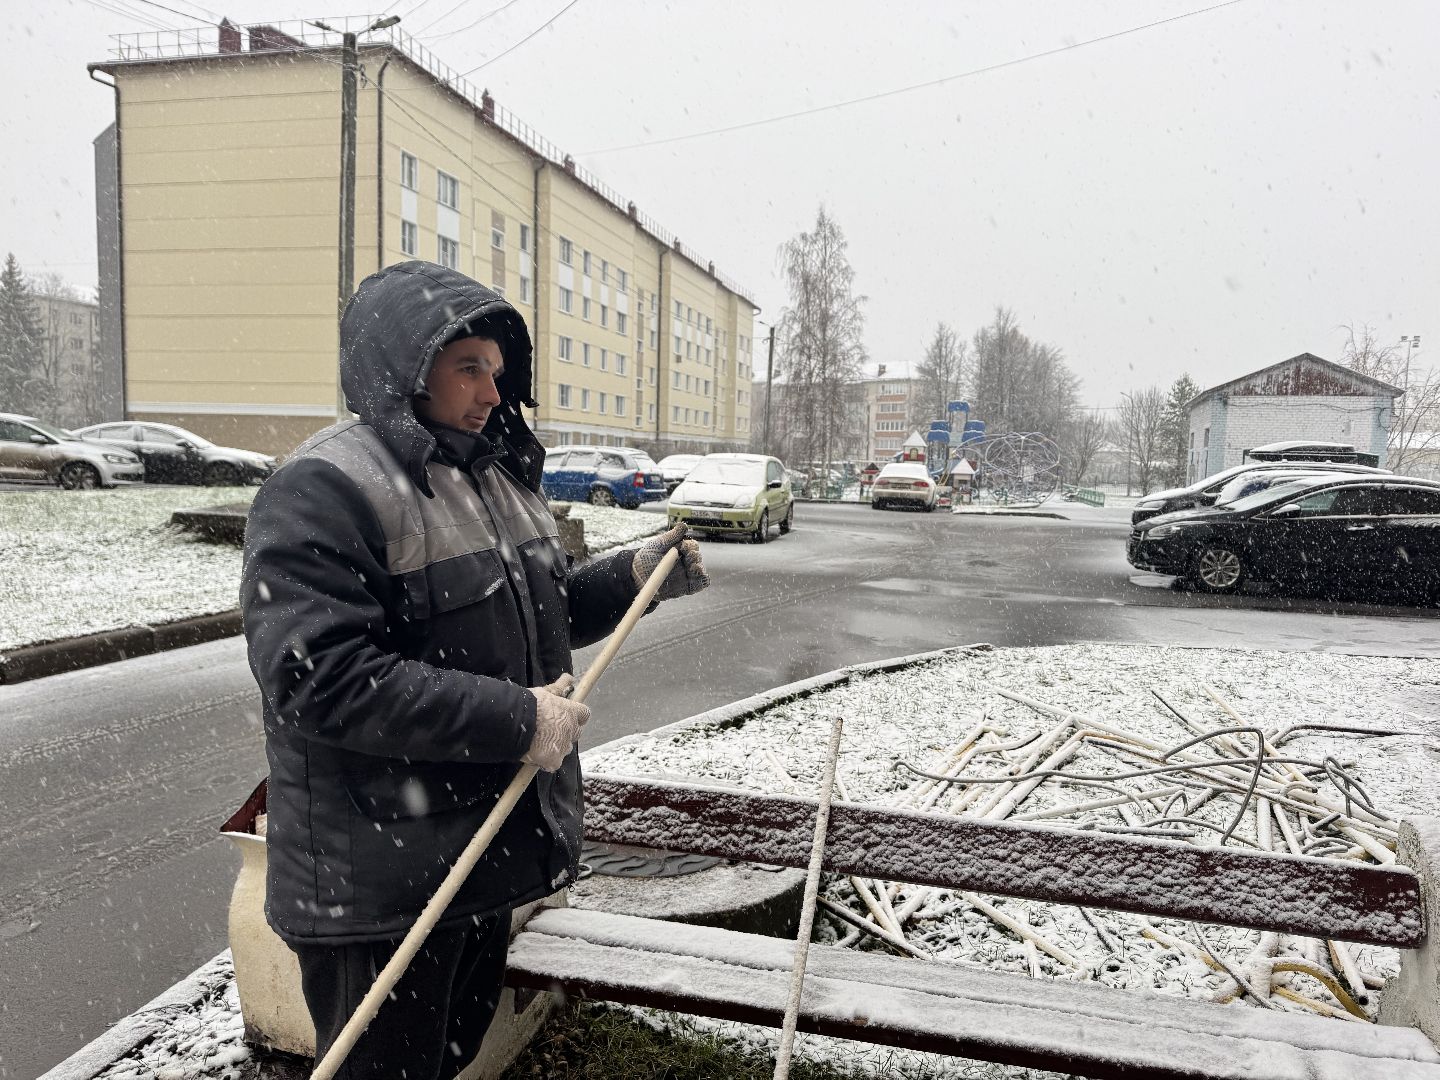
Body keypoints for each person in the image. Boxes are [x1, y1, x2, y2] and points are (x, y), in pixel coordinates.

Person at [239, 260, 708, 1079]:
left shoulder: (490, 475)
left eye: (496, 370)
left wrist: (635, 577)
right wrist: (520, 721)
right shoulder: (325, 487)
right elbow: (322, 679)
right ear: (403, 365)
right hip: (376, 887)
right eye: (468, 368)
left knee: (447, 1062)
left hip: (469, 862)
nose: (493, 392)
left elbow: (545, 611)